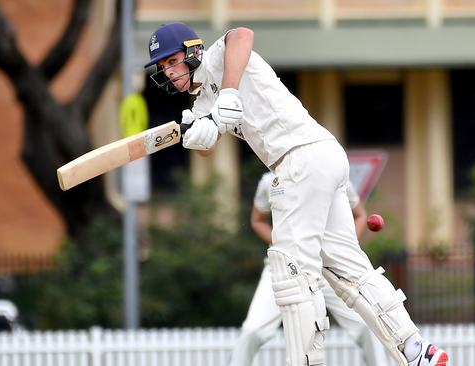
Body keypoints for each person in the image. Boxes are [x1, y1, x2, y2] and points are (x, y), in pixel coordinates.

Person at [144, 22, 450, 366]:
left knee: (293, 273)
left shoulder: (221, 56)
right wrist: (197, 134)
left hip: (299, 161)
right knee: (346, 271)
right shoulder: (202, 101)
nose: (169, 73)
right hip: (323, 156)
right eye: (164, 67)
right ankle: (415, 349)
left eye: (172, 62)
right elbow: (208, 147)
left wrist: (229, 93)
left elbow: (242, 33)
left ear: (192, 51)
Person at [229, 171, 388, 366]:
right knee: (252, 331)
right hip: (283, 267)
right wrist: (285, 243)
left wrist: (343, 248)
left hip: (328, 265)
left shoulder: (334, 171)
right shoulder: (271, 180)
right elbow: (257, 220)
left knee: (367, 327)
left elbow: (360, 215)